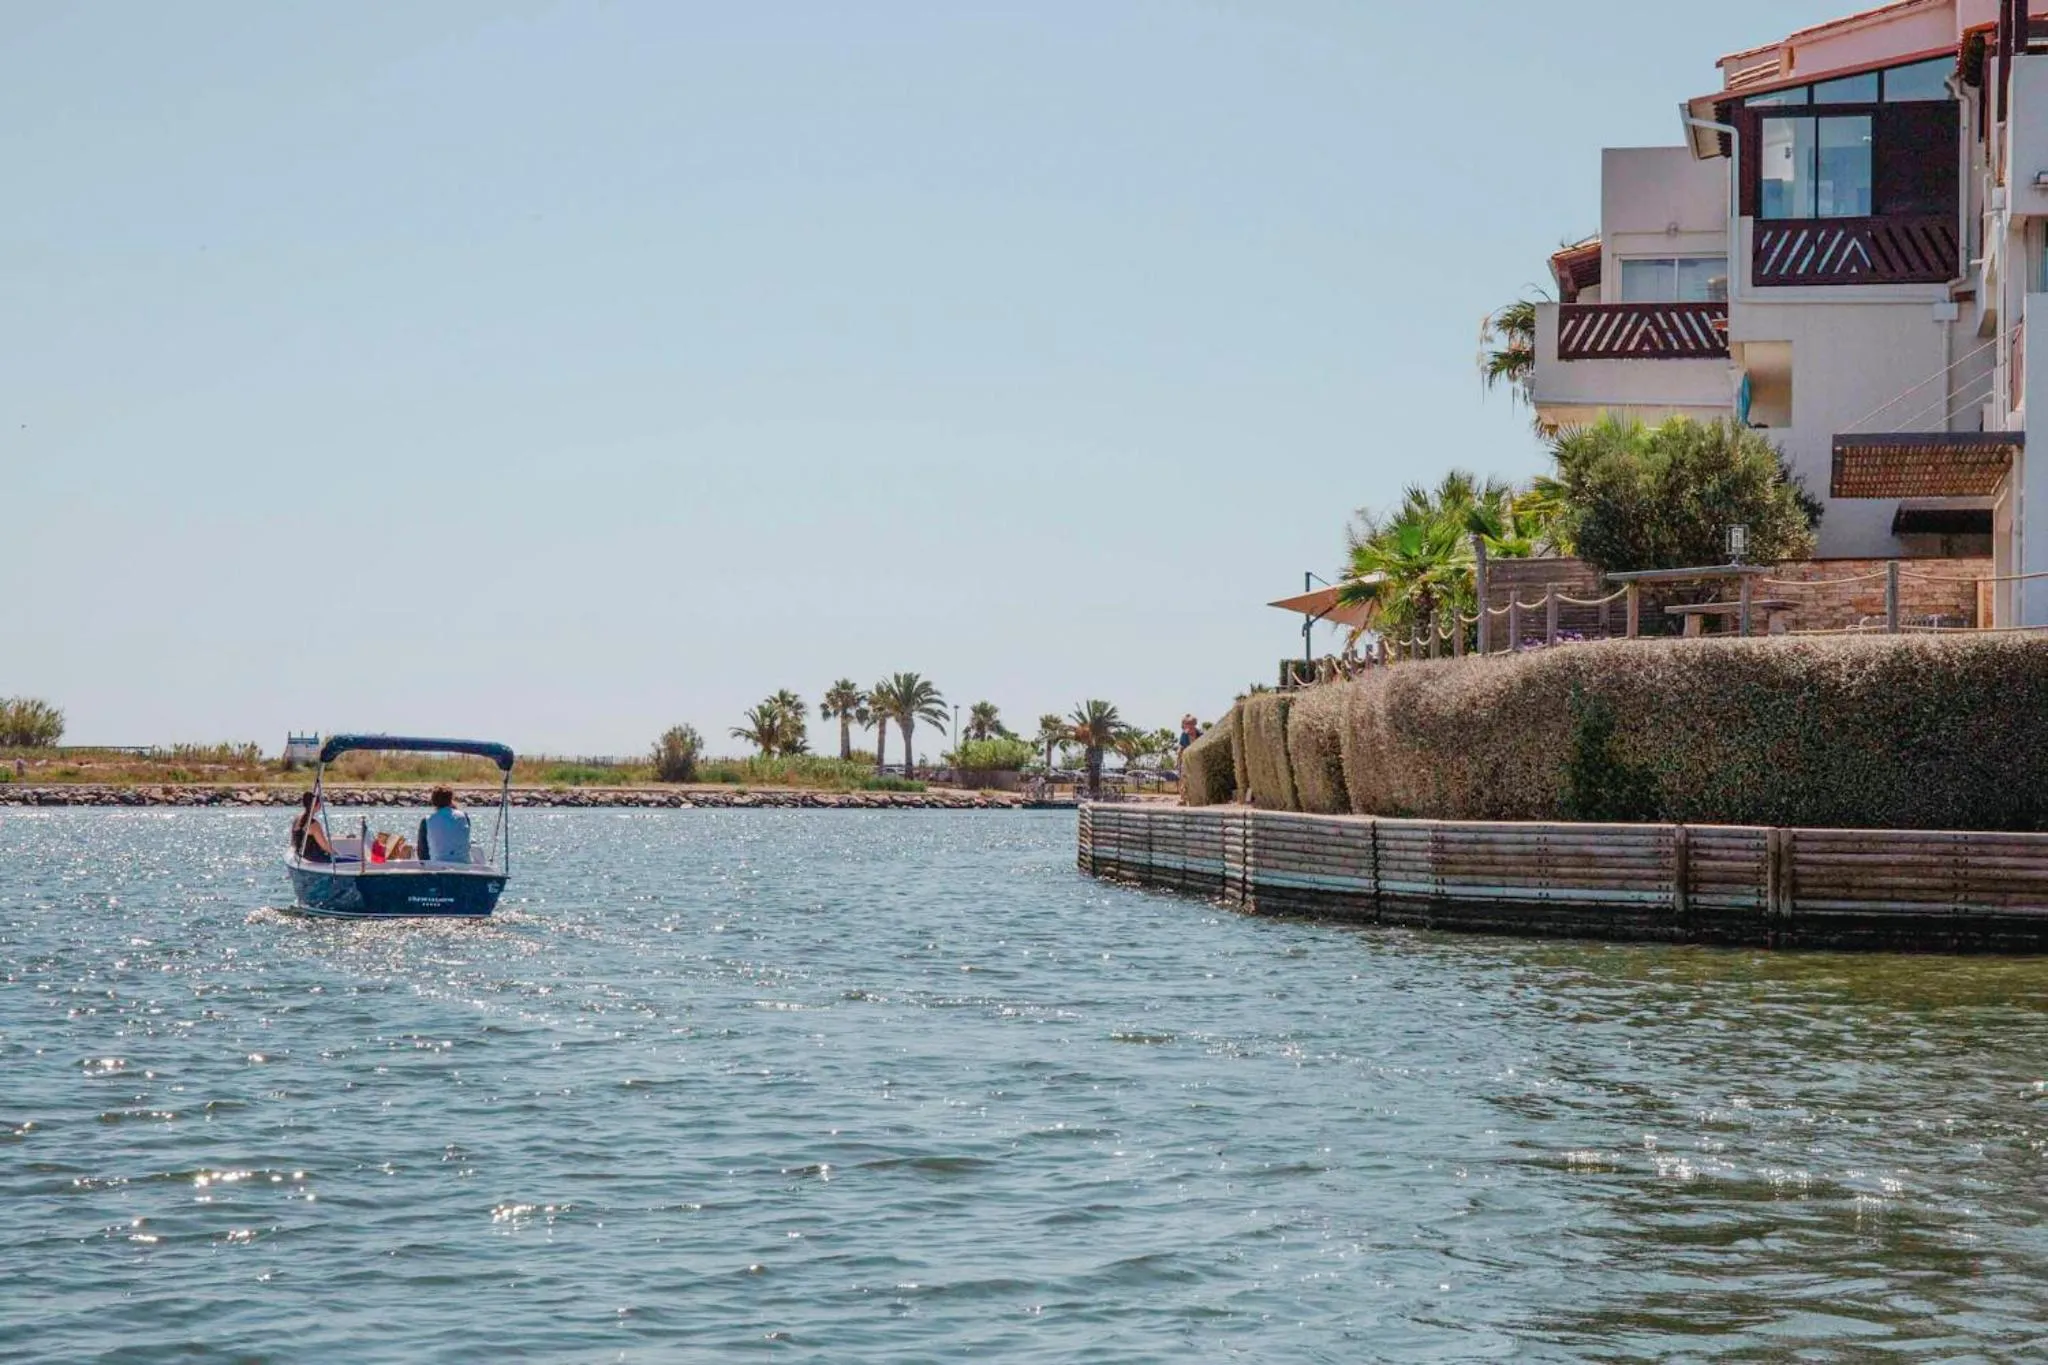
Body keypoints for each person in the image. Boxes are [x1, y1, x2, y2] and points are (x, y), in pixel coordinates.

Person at [417, 786, 472, 864]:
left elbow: (422, 851)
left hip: (437, 867)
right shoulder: (464, 816)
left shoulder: (426, 821)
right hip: (464, 865)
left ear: (433, 801)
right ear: (451, 799)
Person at [291, 792, 334, 864]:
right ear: (316, 806)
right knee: (353, 859)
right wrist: (336, 853)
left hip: (301, 855)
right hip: (316, 858)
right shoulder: (314, 825)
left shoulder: (297, 818)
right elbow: (325, 847)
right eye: (320, 804)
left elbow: (294, 841)